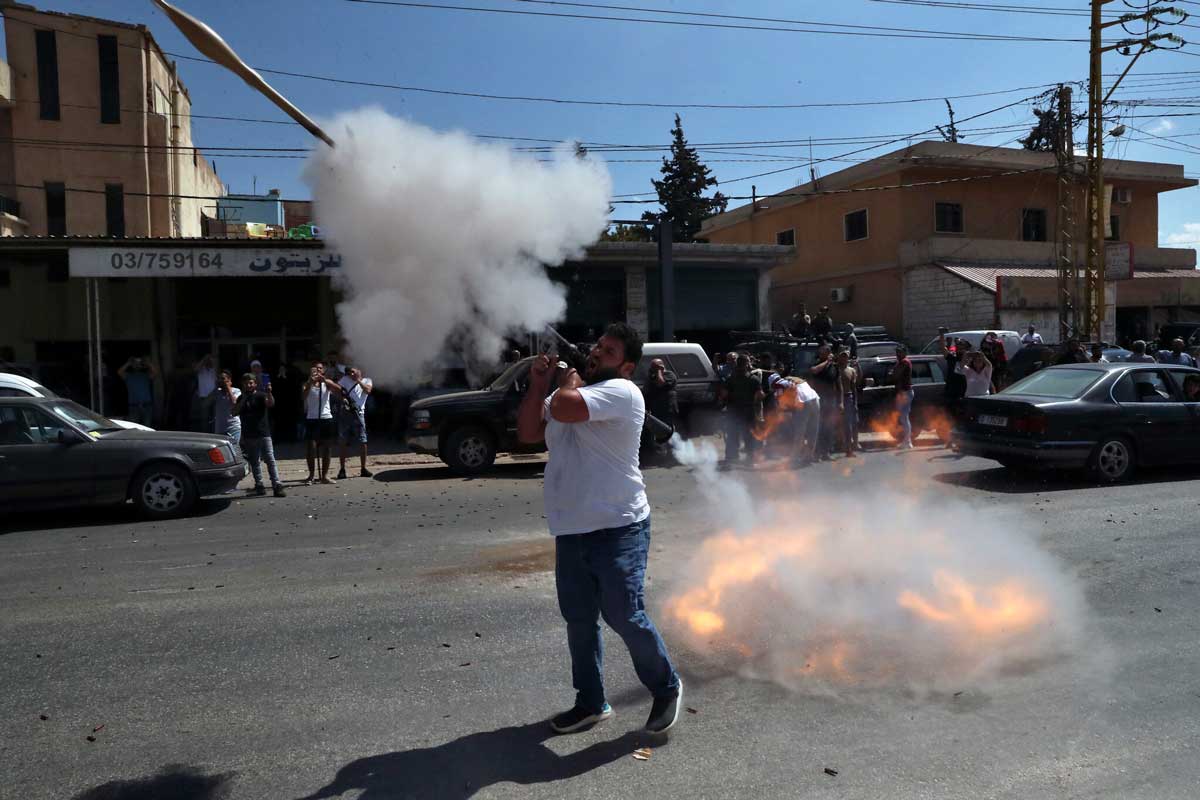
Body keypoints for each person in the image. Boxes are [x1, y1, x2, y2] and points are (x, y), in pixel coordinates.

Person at [515, 322, 683, 735]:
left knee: (624, 614)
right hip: (571, 528)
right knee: (579, 619)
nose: (595, 352)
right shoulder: (567, 395)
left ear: (625, 367)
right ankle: (591, 702)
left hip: (618, 526)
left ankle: (666, 686)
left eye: (607, 352)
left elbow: (568, 407)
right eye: (598, 345)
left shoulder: (623, 392)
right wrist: (539, 384)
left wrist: (566, 381)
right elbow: (528, 433)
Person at [234, 372, 286, 497]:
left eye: (251, 383)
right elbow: (234, 412)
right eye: (246, 383)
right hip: (249, 434)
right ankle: (259, 485)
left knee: (270, 459)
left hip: (263, 433)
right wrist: (244, 399)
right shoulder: (241, 398)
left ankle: (276, 484)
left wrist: (269, 392)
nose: (248, 385)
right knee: (255, 461)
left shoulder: (261, 395)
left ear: (255, 384)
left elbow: (270, 403)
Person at [718, 353, 763, 465]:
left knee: (733, 434)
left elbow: (723, 394)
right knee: (749, 435)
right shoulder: (754, 379)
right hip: (749, 412)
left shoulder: (730, 379)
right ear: (747, 364)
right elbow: (760, 395)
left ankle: (731, 457)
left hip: (733, 411)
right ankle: (750, 458)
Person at [302, 360, 342, 485]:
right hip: (312, 418)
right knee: (311, 448)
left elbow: (339, 389)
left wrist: (325, 380)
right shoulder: (307, 384)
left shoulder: (327, 383)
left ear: (323, 370)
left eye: (320, 369)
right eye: (315, 369)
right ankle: (311, 476)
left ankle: (324, 476)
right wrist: (310, 382)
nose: (317, 371)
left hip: (326, 418)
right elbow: (303, 396)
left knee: (327, 448)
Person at [336, 366, 375, 479]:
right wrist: (343, 398)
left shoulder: (367, 380)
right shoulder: (344, 379)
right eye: (349, 372)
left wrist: (358, 380)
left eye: (353, 372)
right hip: (346, 413)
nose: (351, 374)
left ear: (359, 371)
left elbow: (368, 391)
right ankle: (342, 469)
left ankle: (363, 468)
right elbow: (337, 390)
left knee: (363, 441)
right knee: (343, 441)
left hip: (359, 413)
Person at [640, 358, 678, 458]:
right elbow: (646, 392)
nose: (652, 369)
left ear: (661, 367)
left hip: (668, 409)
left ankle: (673, 455)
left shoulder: (670, 375)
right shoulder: (652, 377)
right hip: (657, 410)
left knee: (668, 433)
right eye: (652, 367)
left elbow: (661, 383)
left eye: (654, 367)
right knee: (658, 433)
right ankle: (659, 454)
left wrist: (659, 371)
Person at [808, 344, 838, 460]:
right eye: (824, 351)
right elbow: (814, 371)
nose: (825, 353)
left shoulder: (833, 367)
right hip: (819, 400)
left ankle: (826, 452)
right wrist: (827, 362)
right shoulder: (816, 364)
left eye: (828, 351)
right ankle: (817, 453)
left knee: (829, 427)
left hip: (830, 400)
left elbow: (837, 383)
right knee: (818, 427)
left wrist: (839, 401)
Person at [118, 355, 156, 427]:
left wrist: (147, 363)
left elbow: (155, 372)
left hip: (146, 405)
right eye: (135, 363)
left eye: (138, 363)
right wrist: (129, 363)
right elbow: (120, 372)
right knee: (134, 428)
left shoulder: (146, 375)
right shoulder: (128, 376)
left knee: (147, 427)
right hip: (134, 406)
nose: (137, 365)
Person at [835, 350, 859, 458]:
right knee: (835, 423)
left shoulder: (851, 371)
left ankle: (849, 448)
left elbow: (854, 388)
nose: (844, 358)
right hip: (836, 399)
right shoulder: (835, 370)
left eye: (846, 357)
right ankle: (836, 445)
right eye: (842, 356)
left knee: (848, 425)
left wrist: (855, 403)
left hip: (848, 398)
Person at [892, 345, 914, 449]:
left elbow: (896, 374)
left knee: (904, 418)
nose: (897, 354)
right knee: (903, 418)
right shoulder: (900, 362)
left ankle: (907, 442)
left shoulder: (905, 361)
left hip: (905, 392)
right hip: (903, 392)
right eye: (897, 352)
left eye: (899, 352)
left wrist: (893, 372)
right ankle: (907, 441)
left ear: (905, 353)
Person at [213, 369, 242, 446]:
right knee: (222, 454)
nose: (221, 381)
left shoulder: (236, 391)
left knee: (234, 451)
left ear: (229, 380)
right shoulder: (217, 392)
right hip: (220, 429)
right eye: (219, 379)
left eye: (223, 378)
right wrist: (215, 388)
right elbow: (205, 403)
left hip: (233, 428)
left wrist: (228, 388)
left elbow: (234, 403)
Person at [192, 353, 217, 432]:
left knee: (215, 417)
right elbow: (196, 369)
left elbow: (215, 366)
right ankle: (205, 433)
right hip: (204, 396)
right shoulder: (201, 370)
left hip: (214, 395)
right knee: (204, 418)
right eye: (208, 361)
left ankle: (214, 432)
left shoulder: (214, 370)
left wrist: (211, 360)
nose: (209, 362)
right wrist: (204, 359)